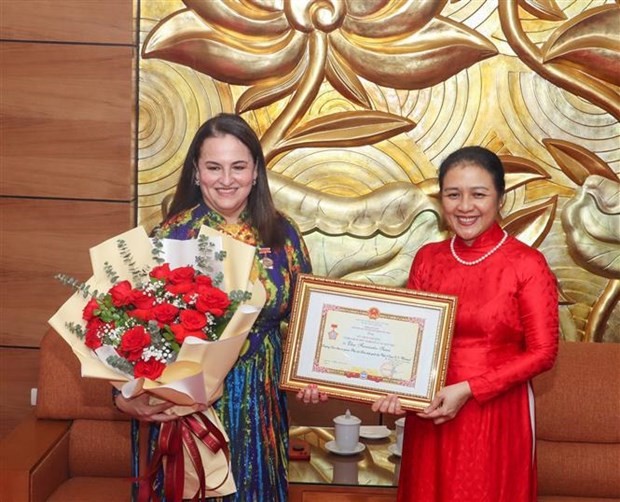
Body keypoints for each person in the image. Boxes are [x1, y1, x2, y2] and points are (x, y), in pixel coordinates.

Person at [114, 113, 315, 501]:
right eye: (214, 167)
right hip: (186, 403)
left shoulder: (283, 235)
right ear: (196, 172)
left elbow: (306, 320)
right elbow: (129, 328)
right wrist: (125, 395)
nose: (226, 179)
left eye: (238, 166)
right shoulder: (172, 235)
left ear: (256, 171)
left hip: (261, 399)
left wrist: (311, 376)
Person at [373, 146, 559, 501]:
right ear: (441, 199)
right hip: (431, 411)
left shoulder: (527, 264)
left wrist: (470, 388)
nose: (465, 206)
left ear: (500, 199)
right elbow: (410, 341)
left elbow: (543, 352)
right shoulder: (428, 259)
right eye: (453, 194)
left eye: (479, 194)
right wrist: (395, 388)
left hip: (495, 412)